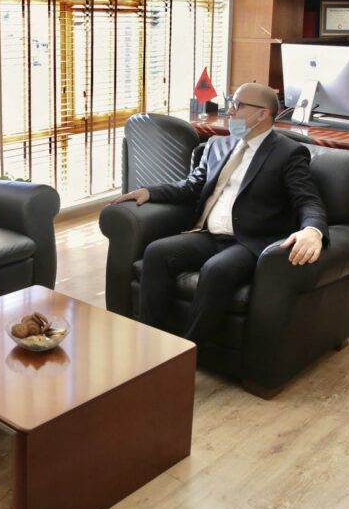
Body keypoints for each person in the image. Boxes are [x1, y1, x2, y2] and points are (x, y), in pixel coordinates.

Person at [111, 83, 328, 343]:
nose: (230, 111)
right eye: (231, 104)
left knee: (216, 270)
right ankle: (151, 342)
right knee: (156, 252)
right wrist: (150, 192)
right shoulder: (218, 145)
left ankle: (189, 351)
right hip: (208, 235)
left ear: (262, 114)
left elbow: (307, 200)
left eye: (238, 105)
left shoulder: (288, 153)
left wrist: (312, 230)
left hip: (248, 242)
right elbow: (192, 185)